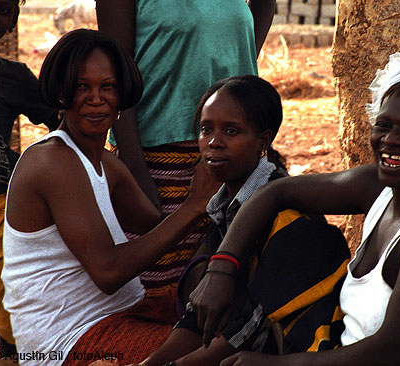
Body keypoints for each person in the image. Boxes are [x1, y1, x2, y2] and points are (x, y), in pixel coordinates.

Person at [190, 41, 400, 366]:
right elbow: (275, 193)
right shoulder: (379, 188)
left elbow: (391, 353)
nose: (392, 140)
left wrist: (271, 365)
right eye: (384, 125)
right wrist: (222, 268)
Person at [1, 29, 220, 366]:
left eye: (108, 87)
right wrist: (193, 205)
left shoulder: (104, 162)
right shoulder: (52, 160)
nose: (96, 98)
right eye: (81, 87)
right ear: (61, 92)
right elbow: (108, 271)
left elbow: (155, 229)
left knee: (231, 322)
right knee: (215, 351)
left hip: (118, 316)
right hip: (70, 341)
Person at [131, 75, 350, 366]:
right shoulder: (225, 206)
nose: (213, 142)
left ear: (263, 139)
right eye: (206, 129)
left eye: (231, 131)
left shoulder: (286, 217)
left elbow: (250, 331)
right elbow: (201, 316)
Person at [94, 0, 276, 289]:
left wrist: (233, 77)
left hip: (232, 153)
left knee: (223, 282)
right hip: (157, 158)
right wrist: (136, 170)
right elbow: (117, 76)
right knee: (155, 285)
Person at [0, 0, 59, 356]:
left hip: (2, 210)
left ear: (14, 20)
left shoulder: (15, 78)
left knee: (13, 305)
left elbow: (59, 124)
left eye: (2, 9)